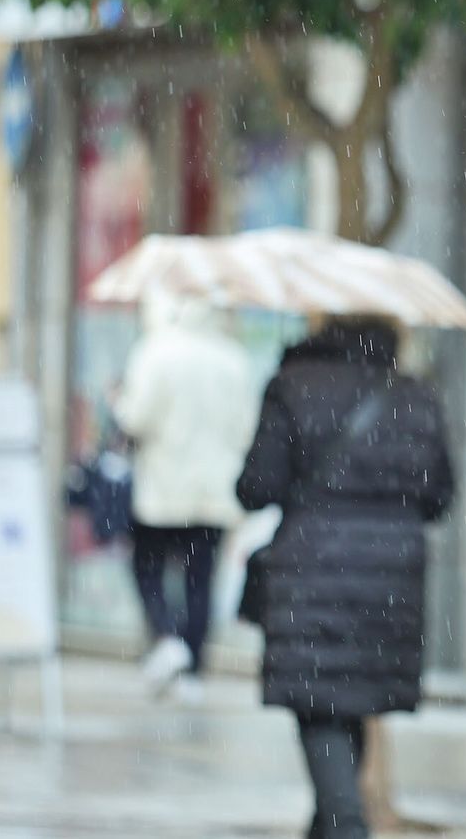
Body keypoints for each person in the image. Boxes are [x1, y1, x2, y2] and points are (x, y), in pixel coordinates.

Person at [236, 315, 455, 839]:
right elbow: (439, 497)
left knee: (320, 703)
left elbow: (256, 487)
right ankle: (335, 823)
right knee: (349, 700)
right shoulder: (415, 395)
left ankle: (346, 825)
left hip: (312, 566)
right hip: (394, 576)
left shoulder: (293, 387)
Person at [114, 291, 256, 700]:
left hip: (163, 486)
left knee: (147, 567)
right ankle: (192, 668)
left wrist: (120, 403)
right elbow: (246, 429)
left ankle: (165, 637)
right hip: (215, 489)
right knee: (200, 579)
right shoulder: (234, 359)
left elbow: (135, 418)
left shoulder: (156, 351)